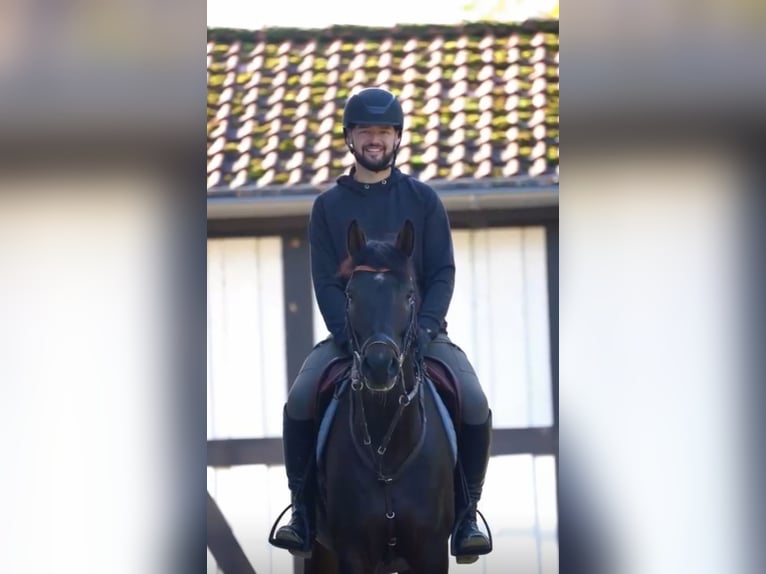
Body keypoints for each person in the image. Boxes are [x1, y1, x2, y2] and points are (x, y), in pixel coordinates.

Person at [271, 87, 493, 561]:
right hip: (350, 337)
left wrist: (428, 329)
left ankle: (467, 515)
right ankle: (302, 513)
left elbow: (442, 273)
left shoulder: (424, 200)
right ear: (350, 138)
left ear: (397, 138)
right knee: (298, 402)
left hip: (422, 336)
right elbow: (327, 282)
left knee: (474, 402)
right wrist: (347, 335)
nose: (375, 140)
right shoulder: (327, 208)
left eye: (384, 132)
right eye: (366, 132)